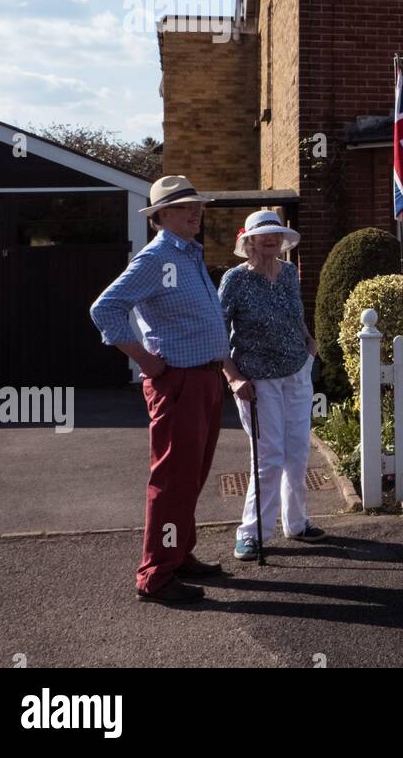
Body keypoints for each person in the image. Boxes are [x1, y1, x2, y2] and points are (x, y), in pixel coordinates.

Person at [90, 175, 234, 605]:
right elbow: (105, 309)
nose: (197, 212)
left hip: (203, 379)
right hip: (179, 382)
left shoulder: (187, 254)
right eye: (185, 207)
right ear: (160, 217)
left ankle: (178, 553)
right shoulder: (157, 258)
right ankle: (155, 575)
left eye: (198, 205)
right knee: (172, 480)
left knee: (190, 477)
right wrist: (145, 360)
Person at [219, 210, 325, 560]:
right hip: (257, 381)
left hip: (296, 373)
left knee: (297, 453)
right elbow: (218, 334)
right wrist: (233, 378)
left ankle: (297, 523)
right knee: (269, 456)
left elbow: (297, 316)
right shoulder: (235, 280)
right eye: (262, 235)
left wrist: (310, 344)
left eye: (276, 234)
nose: (270, 239)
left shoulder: (291, 274)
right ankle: (252, 533)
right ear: (248, 241)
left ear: (282, 240)